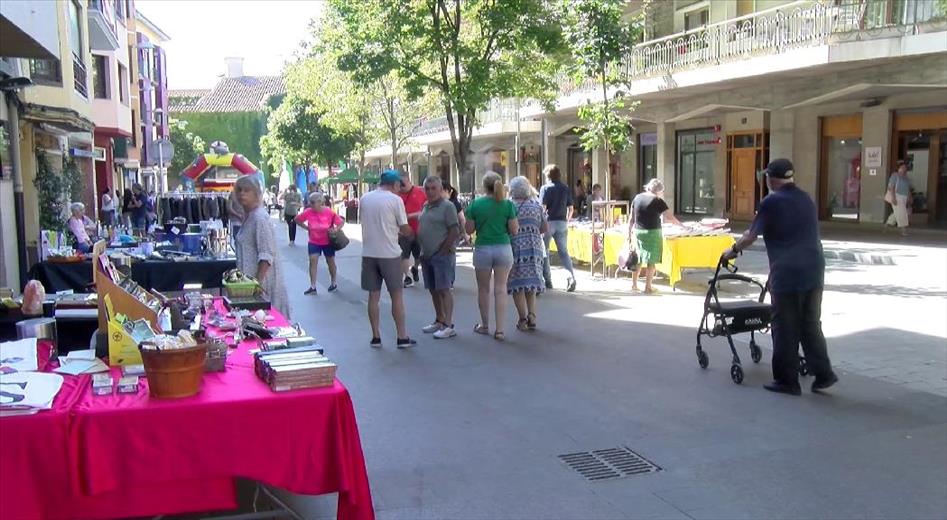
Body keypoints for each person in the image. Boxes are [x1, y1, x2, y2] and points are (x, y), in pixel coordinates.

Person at [723, 158, 838, 396]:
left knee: (784, 326)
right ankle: (824, 373)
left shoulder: (771, 202)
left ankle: (787, 381)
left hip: (787, 273)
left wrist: (732, 251)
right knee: (810, 323)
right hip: (814, 270)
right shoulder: (806, 199)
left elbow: (750, 237)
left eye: (766, 177)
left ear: (771, 179)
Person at [359, 170, 416, 348]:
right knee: (396, 296)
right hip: (390, 253)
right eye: (400, 185)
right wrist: (409, 234)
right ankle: (402, 336)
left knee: (373, 296)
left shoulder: (365, 198)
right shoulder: (395, 200)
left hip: (369, 253)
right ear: (395, 184)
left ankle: (375, 336)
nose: (401, 189)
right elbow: (404, 227)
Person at [465, 171, 518, 341]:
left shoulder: (476, 204)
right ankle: (500, 330)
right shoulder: (507, 205)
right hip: (503, 248)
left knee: (483, 289)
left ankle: (485, 325)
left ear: (483, 186)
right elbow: (514, 230)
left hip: (483, 249)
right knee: (501, 289)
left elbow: (469, 230)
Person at [232, 176, 290, 318]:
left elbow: (266, 256)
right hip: (249, 286)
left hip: (263, 287)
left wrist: (257, 284)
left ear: (256, 194)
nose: (242, 194)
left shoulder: (259, 218)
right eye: (239, 190)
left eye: (247, 190)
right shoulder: (249, 216)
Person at [417, 176, 459, 339]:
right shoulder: (426, 205)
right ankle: (439, 320)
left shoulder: (447, 206)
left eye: (433, 188)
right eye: (427, 188)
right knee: (433, 290)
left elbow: (454, 230)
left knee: (444, 289)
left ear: (441, 189)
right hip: (426, 254)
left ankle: (448, 325)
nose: (430, 191)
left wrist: (443, 249)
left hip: (440, 254)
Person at [627, 179, 682, 293]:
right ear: (659, 191)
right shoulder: (657, 201)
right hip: (652, 233)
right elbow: (669, 217)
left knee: (638, 258)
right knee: (651, 261)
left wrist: (629, 233)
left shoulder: (637, 197)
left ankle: (634, 284)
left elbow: (631, 219)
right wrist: (682, 225)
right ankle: (648, 287)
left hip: (638, 231)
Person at [507, 176, 547, 332]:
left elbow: (508, 227)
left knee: (517, 284)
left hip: (516, 246)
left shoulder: (509, 206)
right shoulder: (536, 206)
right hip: (535, 247)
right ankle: (532, 315)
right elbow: (544, 228)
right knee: (531, 283)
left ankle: (522, 318)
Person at [296, 192, 344, 295]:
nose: (311, 204)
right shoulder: (308, 212)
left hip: (327, 241)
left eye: (313, 202)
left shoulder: (329, 212)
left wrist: (335, 230)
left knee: (330, 261)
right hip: (314, 241)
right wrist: (306, 228)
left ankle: (334, 282)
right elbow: (297, 219)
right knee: (313, 261)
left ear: (320, 202)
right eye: (310, 202)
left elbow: (340, 222)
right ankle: (313, 286)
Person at [539, 164, 577, 292]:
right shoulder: (565, 188)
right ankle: (571, 277)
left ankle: (547, 280)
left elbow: (542, 208)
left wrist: (540, 221)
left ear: (548, 176)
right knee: (564, 252)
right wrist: (567, 219)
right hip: (562, 222)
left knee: (545, 252)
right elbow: (571, 208)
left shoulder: (545, 188)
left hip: (548, 222)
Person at [398, 170, 426, 287]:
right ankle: (408, 276)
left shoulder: (420, 192)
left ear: (408, 180)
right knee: (404, 254)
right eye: (399, 183)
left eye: (403, 183)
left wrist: (411, 215)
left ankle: (415, 268)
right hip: (403, 231)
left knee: (419, 254)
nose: (401, 186)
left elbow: (426, 209)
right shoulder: (396, 195)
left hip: (419, 229)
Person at [885, 160, 913, 235]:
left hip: (904, 197)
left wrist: (910, 197)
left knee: (897, 212)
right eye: (902, 167)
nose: (904, 169)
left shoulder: (906, 178)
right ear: (898, 168)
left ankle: (887, 225)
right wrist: (893, 198)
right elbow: (892, 187)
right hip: (896, 196)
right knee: (902, 213)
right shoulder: (895, 175)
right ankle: (903, 230)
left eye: (905, 167)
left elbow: (908, 189)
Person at [444, 181, 468, 245]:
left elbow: (462, 219)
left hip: (452, 235)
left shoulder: (454, 203)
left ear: (446, 191)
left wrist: (463, 232)